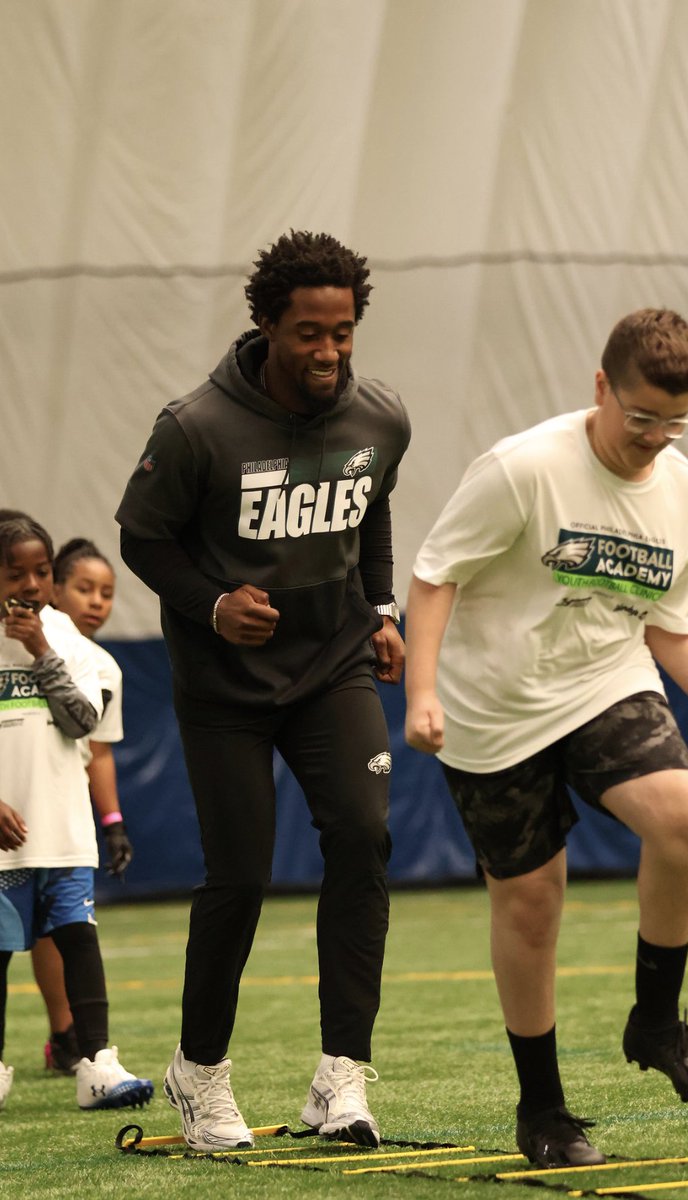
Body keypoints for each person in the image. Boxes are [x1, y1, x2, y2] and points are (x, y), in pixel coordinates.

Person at [404, 309, 688, 1168]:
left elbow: (669, 628)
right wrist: (423, 691)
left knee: (686, 816)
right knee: (533, 900)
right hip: (493, 707)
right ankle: (543, 1111)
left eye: (674, 423)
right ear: (600, 389)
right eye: (640, 418)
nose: (655, 439)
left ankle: (656, 1021)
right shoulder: (523, 468)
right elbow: (433, 578)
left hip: (602, 682)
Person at [115, 230, 411, 1152]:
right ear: (267, 326)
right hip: (225, 688)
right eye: (309, 333)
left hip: (335, 670)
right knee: (240, 876)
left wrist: (383, 607)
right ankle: (199, 1074)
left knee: (362, 839)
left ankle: (342, 1081)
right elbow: (142, 539)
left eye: (343, 332)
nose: (328, 352)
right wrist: (211, 605)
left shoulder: (381, 420)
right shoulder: (197, 426)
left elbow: (370, 509)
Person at [0, 511, 152, 1112]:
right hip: (3, 840)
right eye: (17, 573)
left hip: (62, 832)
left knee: (78, 941)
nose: (32, 585)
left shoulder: (66, 637)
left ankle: (96, 1064)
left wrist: (40, 650)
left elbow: (84, 722)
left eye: (41, 571)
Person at [30, 538, 133, 1075]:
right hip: (16, 806)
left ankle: (72, 1039)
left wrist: (112, 822)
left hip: (60, 816)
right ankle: (62, 1030)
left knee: (61, 923)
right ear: (54, 588)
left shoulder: (104, 667)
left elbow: (98, 750)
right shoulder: (20, 645)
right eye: (84, 588)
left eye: (107, 592)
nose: (97, 601)